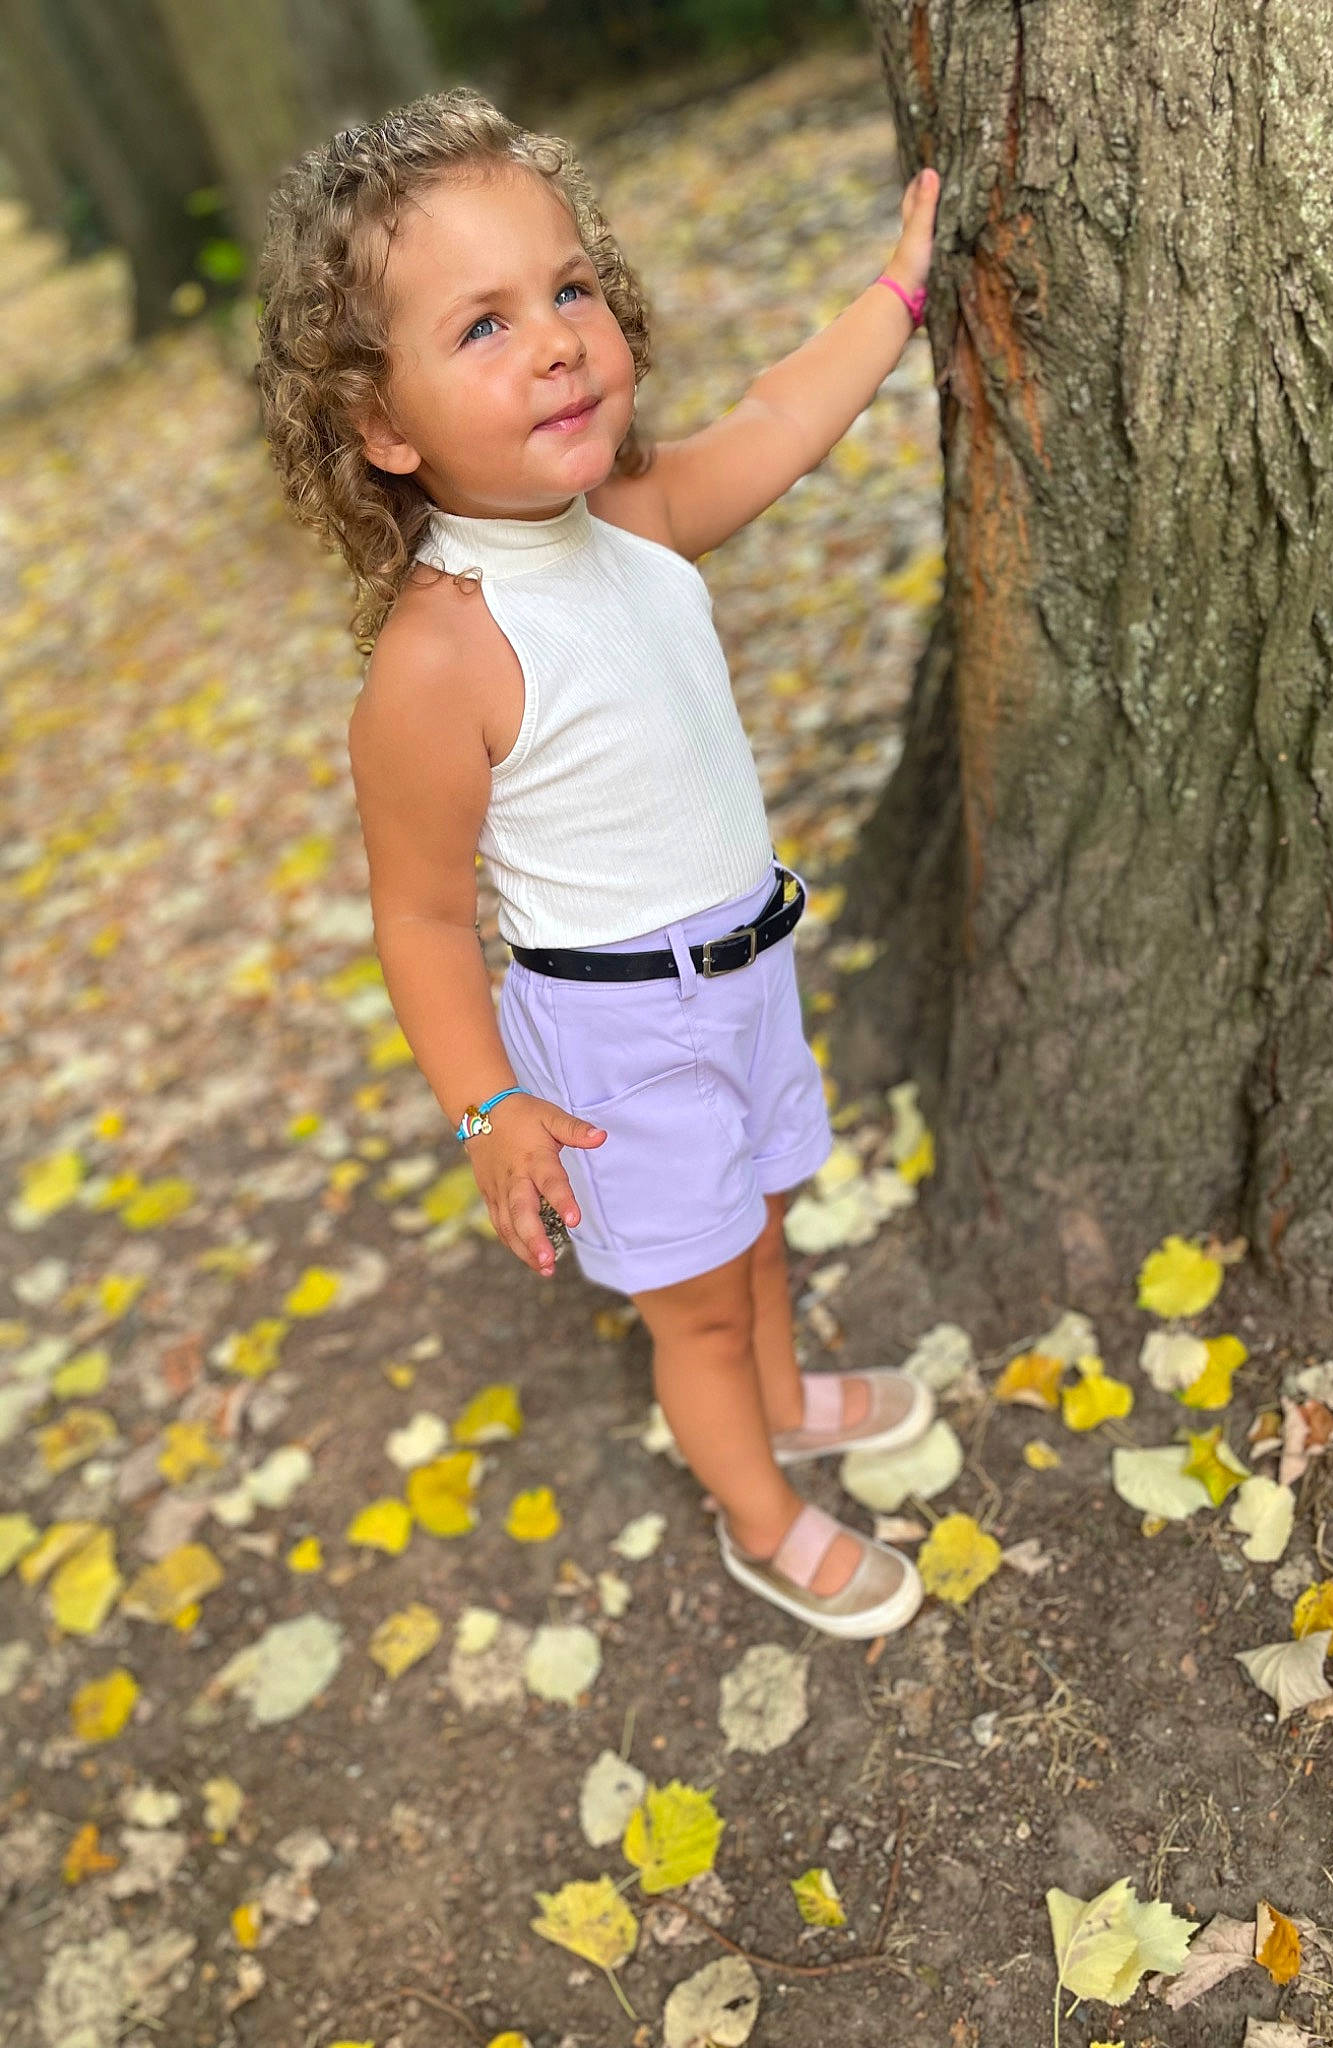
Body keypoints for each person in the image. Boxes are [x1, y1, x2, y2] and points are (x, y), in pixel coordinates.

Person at [255, 87, 941, 1638]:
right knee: (691, 1303)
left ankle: (782, 1395)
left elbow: (777, 418)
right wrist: (488, 1108)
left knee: (758, 1223)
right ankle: (761, 1516)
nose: (558, 339)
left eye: (568, 290)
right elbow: (423, 916)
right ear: (383, 423)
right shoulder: (442, 658)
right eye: (483, 327)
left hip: (747, 976)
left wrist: (897, 295)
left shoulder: (630, 516)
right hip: (621, 1042)